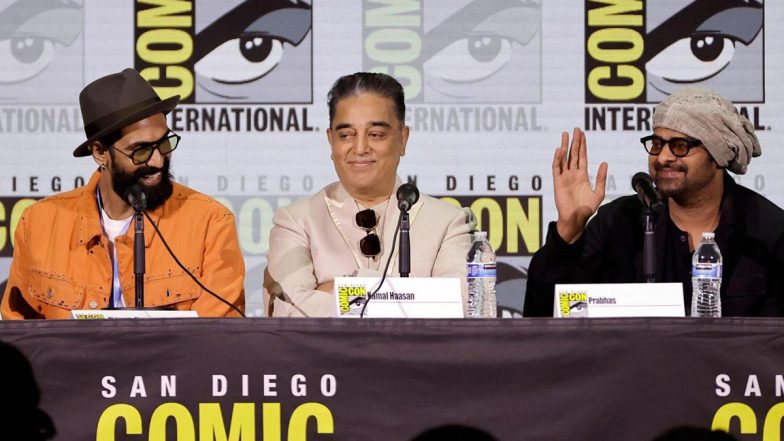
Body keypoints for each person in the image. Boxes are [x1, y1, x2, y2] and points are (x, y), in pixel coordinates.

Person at [1, 68, 245, 319]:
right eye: (140, 151)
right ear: (100, 153)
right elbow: (20, 334)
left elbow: (217, 337)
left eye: (164, 143)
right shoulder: (40, 223)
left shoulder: (210, 221)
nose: (159, 161)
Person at [524, 87, 784, 317]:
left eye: (680, 145)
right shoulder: (618, 222)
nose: (663, 158)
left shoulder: (767, 232)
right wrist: (567, 232)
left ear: (718, 154)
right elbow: (545, 317)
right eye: (657, 144)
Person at [264, 72, 474, 317]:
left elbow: (461, 307)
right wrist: (413, 295)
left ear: (403, 139)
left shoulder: (448, 222)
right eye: (346, 135)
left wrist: (338, 289)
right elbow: (289, 312)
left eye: (375, 134)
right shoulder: (296, 221)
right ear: (331, 141)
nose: (360, 148)